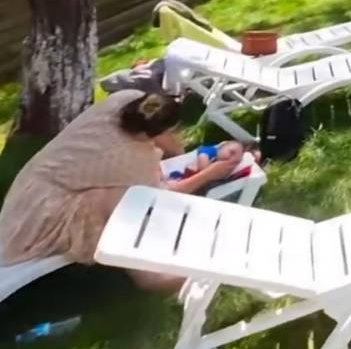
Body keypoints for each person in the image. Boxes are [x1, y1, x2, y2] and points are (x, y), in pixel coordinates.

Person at [0, 92, 238, 293]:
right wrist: (209, 174)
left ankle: (149, 259)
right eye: (174, 130)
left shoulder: (125, 99)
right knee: (122, 200)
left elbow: (156, 143)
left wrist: (178, 150)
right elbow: (159, 197)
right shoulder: (127, 159)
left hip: (30, 189)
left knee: (123, 193)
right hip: (38, 216)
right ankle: (149, 275)